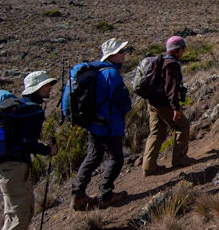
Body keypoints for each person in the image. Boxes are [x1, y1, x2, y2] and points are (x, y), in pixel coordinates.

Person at [0, 72, 58, 230]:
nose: (49, 88)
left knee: (17, 212)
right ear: (37, 88)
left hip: (7, 167)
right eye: (46, 85)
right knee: (18, 215)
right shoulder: (32, 110)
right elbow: (27, 143)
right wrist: (49, 150)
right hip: (15, 169)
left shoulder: (18, 107)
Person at [71, 38, 132, 211]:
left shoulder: (94, 71)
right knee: (116, 158)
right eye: (121, 52)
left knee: (93, 156)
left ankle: (78, 194)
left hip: (93, 123)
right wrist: (124, 112)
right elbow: (122, 101)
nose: (124, 54)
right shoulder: (111, 74)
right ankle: (106, 194)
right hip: (109, 124)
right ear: (112, 55)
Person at [142, 36, 194, 177]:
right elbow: (171, 88)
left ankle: (149, 167)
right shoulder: (172, 64)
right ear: (177, 50)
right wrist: (175, 109)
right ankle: (179, 158)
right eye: (183, 49)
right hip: (164, 104)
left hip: (152, 103)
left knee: (156, 133)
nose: (184, 51)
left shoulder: (161, 61)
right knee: (182, 126)